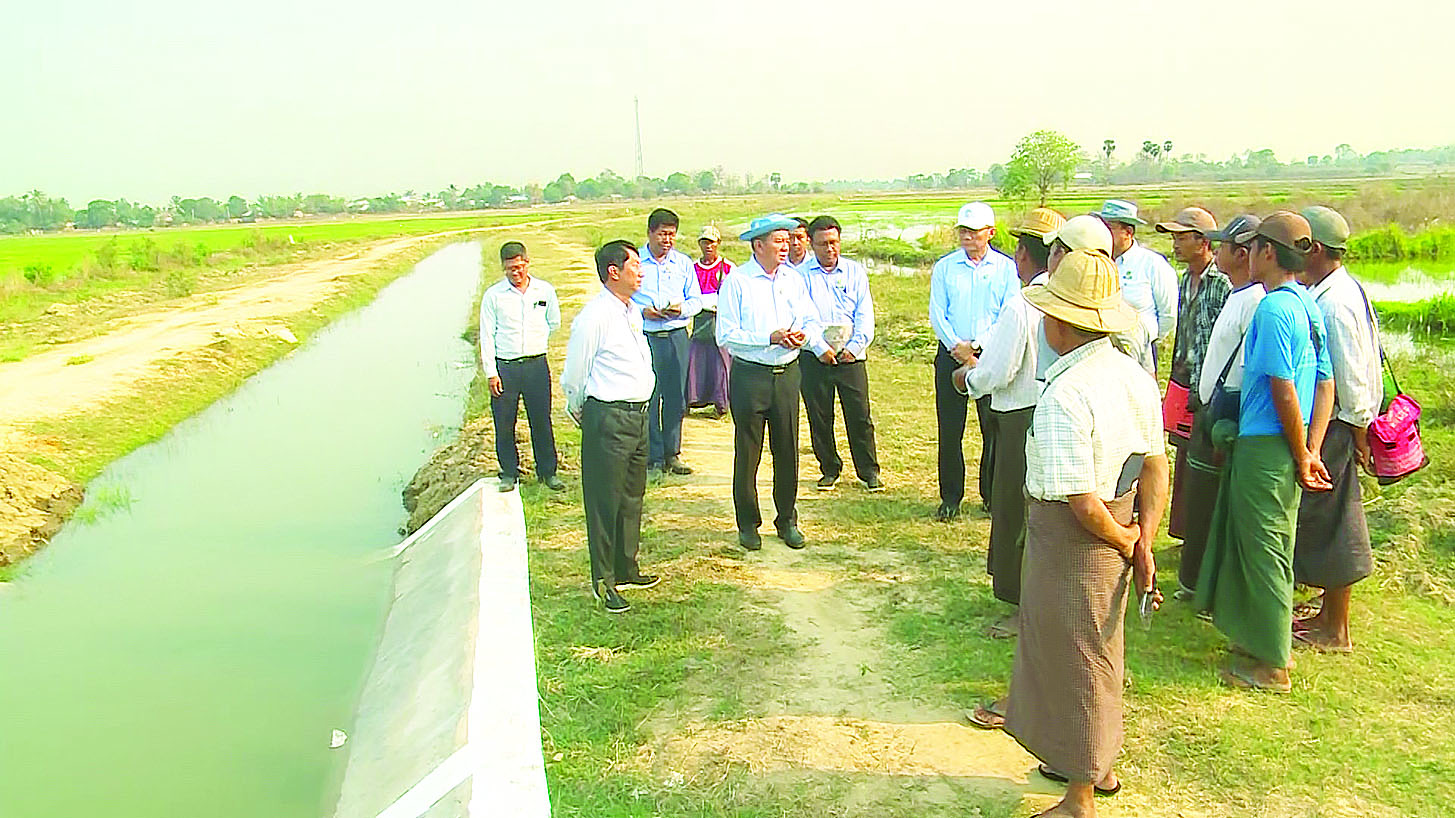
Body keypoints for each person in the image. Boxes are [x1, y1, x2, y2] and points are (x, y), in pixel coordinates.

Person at [1003, 248, 1169, 817]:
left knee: (1076, 659)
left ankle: (1080, 796)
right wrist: (1144, 537)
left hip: (1076, 539)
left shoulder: (1065, 394)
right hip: (1118, 521)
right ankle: (1096, 763)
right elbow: (1155, 465)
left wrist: (1127, 541)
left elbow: (1080, 501)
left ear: (1059, 323)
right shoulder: (1135, 376)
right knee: (1100, 649)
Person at [1195, 211, 1335, 693]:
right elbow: (1325, 382)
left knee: (1265, 549)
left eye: (1253, 247)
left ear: (1268, 252)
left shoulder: (1274, 309)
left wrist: (1300, 452)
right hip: (1289, 443)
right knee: (1259, 541)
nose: (1247, 255)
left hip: (1266, 446)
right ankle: (1256, 638)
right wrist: (1313, 448)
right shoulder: (1307, 305)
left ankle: (1274, 664)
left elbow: (1283, 387)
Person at [953, 207, 1065, 635]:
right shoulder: (1067, 299)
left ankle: (1022, 605)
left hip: (1021, 418)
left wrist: (968, 378)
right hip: (1058, 415)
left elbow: (997, 371)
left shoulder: (1024, 305)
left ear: (1022, 254)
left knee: (1015, 509)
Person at [1293, 206, 1380, 653]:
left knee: (1336, 523)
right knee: (1329, 518)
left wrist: (1360, 431)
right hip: (1339, 423)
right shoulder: (1336, 290)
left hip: (1339, 424)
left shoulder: (1334, 303)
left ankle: (1336, 628)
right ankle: (1328, 614)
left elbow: (1351, 376)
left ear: (1316, 250)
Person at [561, 240, 661, 614]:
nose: (641, 271)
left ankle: (626, 566)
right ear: (613, 272)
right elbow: (575, 372)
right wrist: (580, 408)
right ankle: (604, 582)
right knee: (605, 501)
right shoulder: (595, 316)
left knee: (631, 496)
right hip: (609, 417)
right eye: (634, 265)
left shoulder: (632, 311)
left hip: (638, 416)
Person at [716, 214, 826, 551]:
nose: (786, 246)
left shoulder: (793, 279)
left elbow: (811, 319)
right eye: (778, 241)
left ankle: (787, 520)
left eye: (788, 240)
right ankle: (748, 523)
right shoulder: (737, 281)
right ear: (758, 245)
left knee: (787, 450)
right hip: (751, 375)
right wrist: (769, 337)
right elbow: (726, 334)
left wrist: (804, 336)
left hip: (787, 374)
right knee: (748, 452)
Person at [1178, 215, 1266, 596]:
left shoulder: (1255, 301)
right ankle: (1196, 582)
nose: (1216, 251)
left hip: (1224, 415)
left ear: (1242, 254)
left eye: (1224, 246)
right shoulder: (1238, 294)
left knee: (1212, 505)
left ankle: (1207, 587)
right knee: (1200, 500)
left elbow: (1246, 372)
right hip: (1209, 409)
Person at [929, 202, 1018, 520]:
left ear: (990, 233)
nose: (967, 237)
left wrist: (978, 346)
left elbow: (1009, 313)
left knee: (992, 427)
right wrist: (958, 347)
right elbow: (937, 313)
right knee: (950, 428)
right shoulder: (945, 267)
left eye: (974, 232)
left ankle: (991, 494)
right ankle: (950, 496)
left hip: (991, 354)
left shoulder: (1006, 268)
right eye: (963, 231)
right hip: (951, 354)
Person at [1154, 208, 1232, 540]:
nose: (1175, 244)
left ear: (1203, 242)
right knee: (1185, 455)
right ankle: (1186, 531)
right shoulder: (1186, 279)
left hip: (1212, 386)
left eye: (1181, 238)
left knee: (1207, 459)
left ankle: (1206, 535)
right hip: (1186, 381)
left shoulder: (1223, 282)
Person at [799, 215, 883, 492]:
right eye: (823, 243)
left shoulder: (854, 272)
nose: (829, 249)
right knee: (820, 415)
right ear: (811, 244)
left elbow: (865, 314)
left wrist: (855, 347)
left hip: (851, 357)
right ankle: (829, 468)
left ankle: (868, 471)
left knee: (859, 415)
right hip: (815, 356)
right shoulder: (800, 276)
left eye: (834, 242)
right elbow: (801, 317)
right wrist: (819, 347)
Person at [479, 241, 564, 492]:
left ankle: (548, 472)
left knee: (541, 420)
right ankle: (508, 472)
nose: (516, 272)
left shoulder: (544, 291)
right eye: (510, 269)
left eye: (519, 267)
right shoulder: (494, 296)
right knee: (505, 422)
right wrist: (491, 373)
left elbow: (554, 322)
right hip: (506, 368)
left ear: (527, 262)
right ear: (503, 268)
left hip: (536, 365)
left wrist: (535, 341)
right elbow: (487, 336)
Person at [633, 208, 703, 476]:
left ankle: (672, 453)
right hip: (646, 336)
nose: (667, 240)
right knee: (649, 396)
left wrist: (681, 309)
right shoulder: (635, 262)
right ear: (650, 233)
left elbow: (696, 300)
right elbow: (623, 298)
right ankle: (653, 456)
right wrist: (643, 312)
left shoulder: (683, 263)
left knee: (676, 396)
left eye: (672, 234)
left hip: (676, 336)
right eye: (662, 234)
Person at [1093, 200, 1178, 371]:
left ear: (1128, 232)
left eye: (1110, 228)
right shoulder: (1097, 262)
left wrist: (1148, 339)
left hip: (1141, 351)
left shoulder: (1152, 264)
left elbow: (1168, 313)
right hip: (1101, 349)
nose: (1103, 233)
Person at [686, 225, 733, 417]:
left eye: (712, 242)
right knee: (696, 362)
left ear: (718, 243)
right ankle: (694, 399)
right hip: (700, 322)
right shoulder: (692, 268)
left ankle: (721, 404)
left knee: (721, 364)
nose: (708, 246)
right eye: (705, 242)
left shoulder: (728, 268)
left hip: (720, 321)